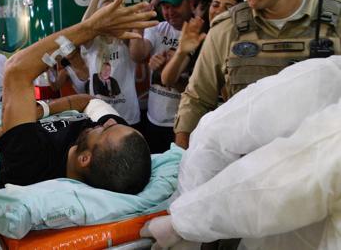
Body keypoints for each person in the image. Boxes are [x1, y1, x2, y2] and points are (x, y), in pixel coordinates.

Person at [142, 55, 341, 250]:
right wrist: (184, 219)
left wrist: (183, 222)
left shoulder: (327, 76)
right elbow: (215, 131)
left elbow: (291, 180)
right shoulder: (328, 77)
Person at [174, 0, 341, 149]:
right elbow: (196, 101)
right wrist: (181, 163)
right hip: (246, 175)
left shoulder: (337, 24)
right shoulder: (226, 30)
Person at [0, 0, 156, 194]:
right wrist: (40, 111)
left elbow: (16, 70)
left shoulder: (31, 163)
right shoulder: (117, 140)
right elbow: (88, 101)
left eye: (106, 129)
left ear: (85, 159)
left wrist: (92, 27)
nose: (110, 121)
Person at [130, 0, 193, 153]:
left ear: (190, 3)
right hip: (153, 121)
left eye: (176, 5)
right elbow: (137, 55)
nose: (170, 12)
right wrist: (140, 26)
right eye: (165, 6)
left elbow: (196, 89)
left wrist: (166, 73)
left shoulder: (198, 34)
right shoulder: (158, 29)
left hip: (184, 125)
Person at [81, 0, 141, 127]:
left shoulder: (125, 40)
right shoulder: (93, 42)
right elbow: (84, 27)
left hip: (128, 116)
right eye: (105, 12)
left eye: (113, 12)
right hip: (99, 116)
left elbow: (127, 21)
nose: (110, 17)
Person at [160, 0, 243, 89]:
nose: (219, 11)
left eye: (228, 8)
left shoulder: (245, 42)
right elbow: (167, 80)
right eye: (215, 5)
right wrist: (181, 51)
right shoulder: (199, 38)